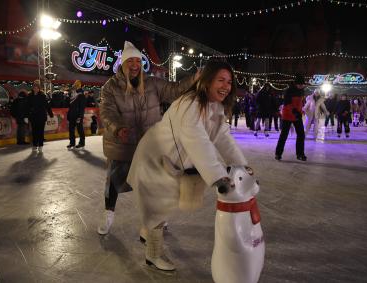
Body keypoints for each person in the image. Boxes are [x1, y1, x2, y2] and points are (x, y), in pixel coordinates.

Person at [127, 60, 250, 271]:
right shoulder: (190, 104)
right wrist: (218, 175)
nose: (225, 86)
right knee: (158, 204)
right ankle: (153, 255)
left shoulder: (215, 107)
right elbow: (197, 140)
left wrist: (240, 165)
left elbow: (222, 138)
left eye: (229, 82)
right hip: (155, 158)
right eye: (220, 80)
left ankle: (146, 231)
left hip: (170, 160)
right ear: (207, 81)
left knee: (164, 204)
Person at [97, 41, 199, 236]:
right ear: (123, 64)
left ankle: (157, 216)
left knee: (154, 183)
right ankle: (108, 214)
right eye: (131, 61)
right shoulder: (110, 87)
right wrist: (118, 128)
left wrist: (195, 78)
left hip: (149, 144)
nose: (135, 65)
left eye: (138, 61)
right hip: (122, 144)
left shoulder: (152, 83)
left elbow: (175, 90)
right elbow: (107, 111)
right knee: (114, 182)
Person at [275, 74, 307, 161]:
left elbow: (300, 103)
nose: (302, 86)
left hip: (297, 115)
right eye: (300, 84)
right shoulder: (289, 91)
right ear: (296, 83)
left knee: (301, 134)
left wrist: (301, 110)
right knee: (284, 135)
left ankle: (300, 154)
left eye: (302, 84)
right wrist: (295, 111)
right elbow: (287, 104)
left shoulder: (301, 91)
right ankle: (278, 153)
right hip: (288, 115)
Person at [28, 80, 53, 152]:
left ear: (39, 88)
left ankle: (41, 145)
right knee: (34, 132)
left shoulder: (42, 96)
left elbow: (47, 106)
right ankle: (35, 145)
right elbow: (27, 106)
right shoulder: (30, 96)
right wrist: (26, 116)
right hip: (33, 117)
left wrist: (51, 114)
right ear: (33, 88)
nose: (35, 89)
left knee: (41, 131)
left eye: (37, 88)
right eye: (34, 87)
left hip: (41, 116)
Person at [66, 80, 86, 149]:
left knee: (79, 129)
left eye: (76, 85)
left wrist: (80, 117)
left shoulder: (81, 95)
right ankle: (72, 143)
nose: (74, 86)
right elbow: (70, 106)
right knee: (71, 129)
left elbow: (82, 107)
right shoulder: (72, 94)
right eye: (74, 85)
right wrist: (69, 114)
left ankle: (82, 143)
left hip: (78, 115)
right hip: (72, 115)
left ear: (79, 86)